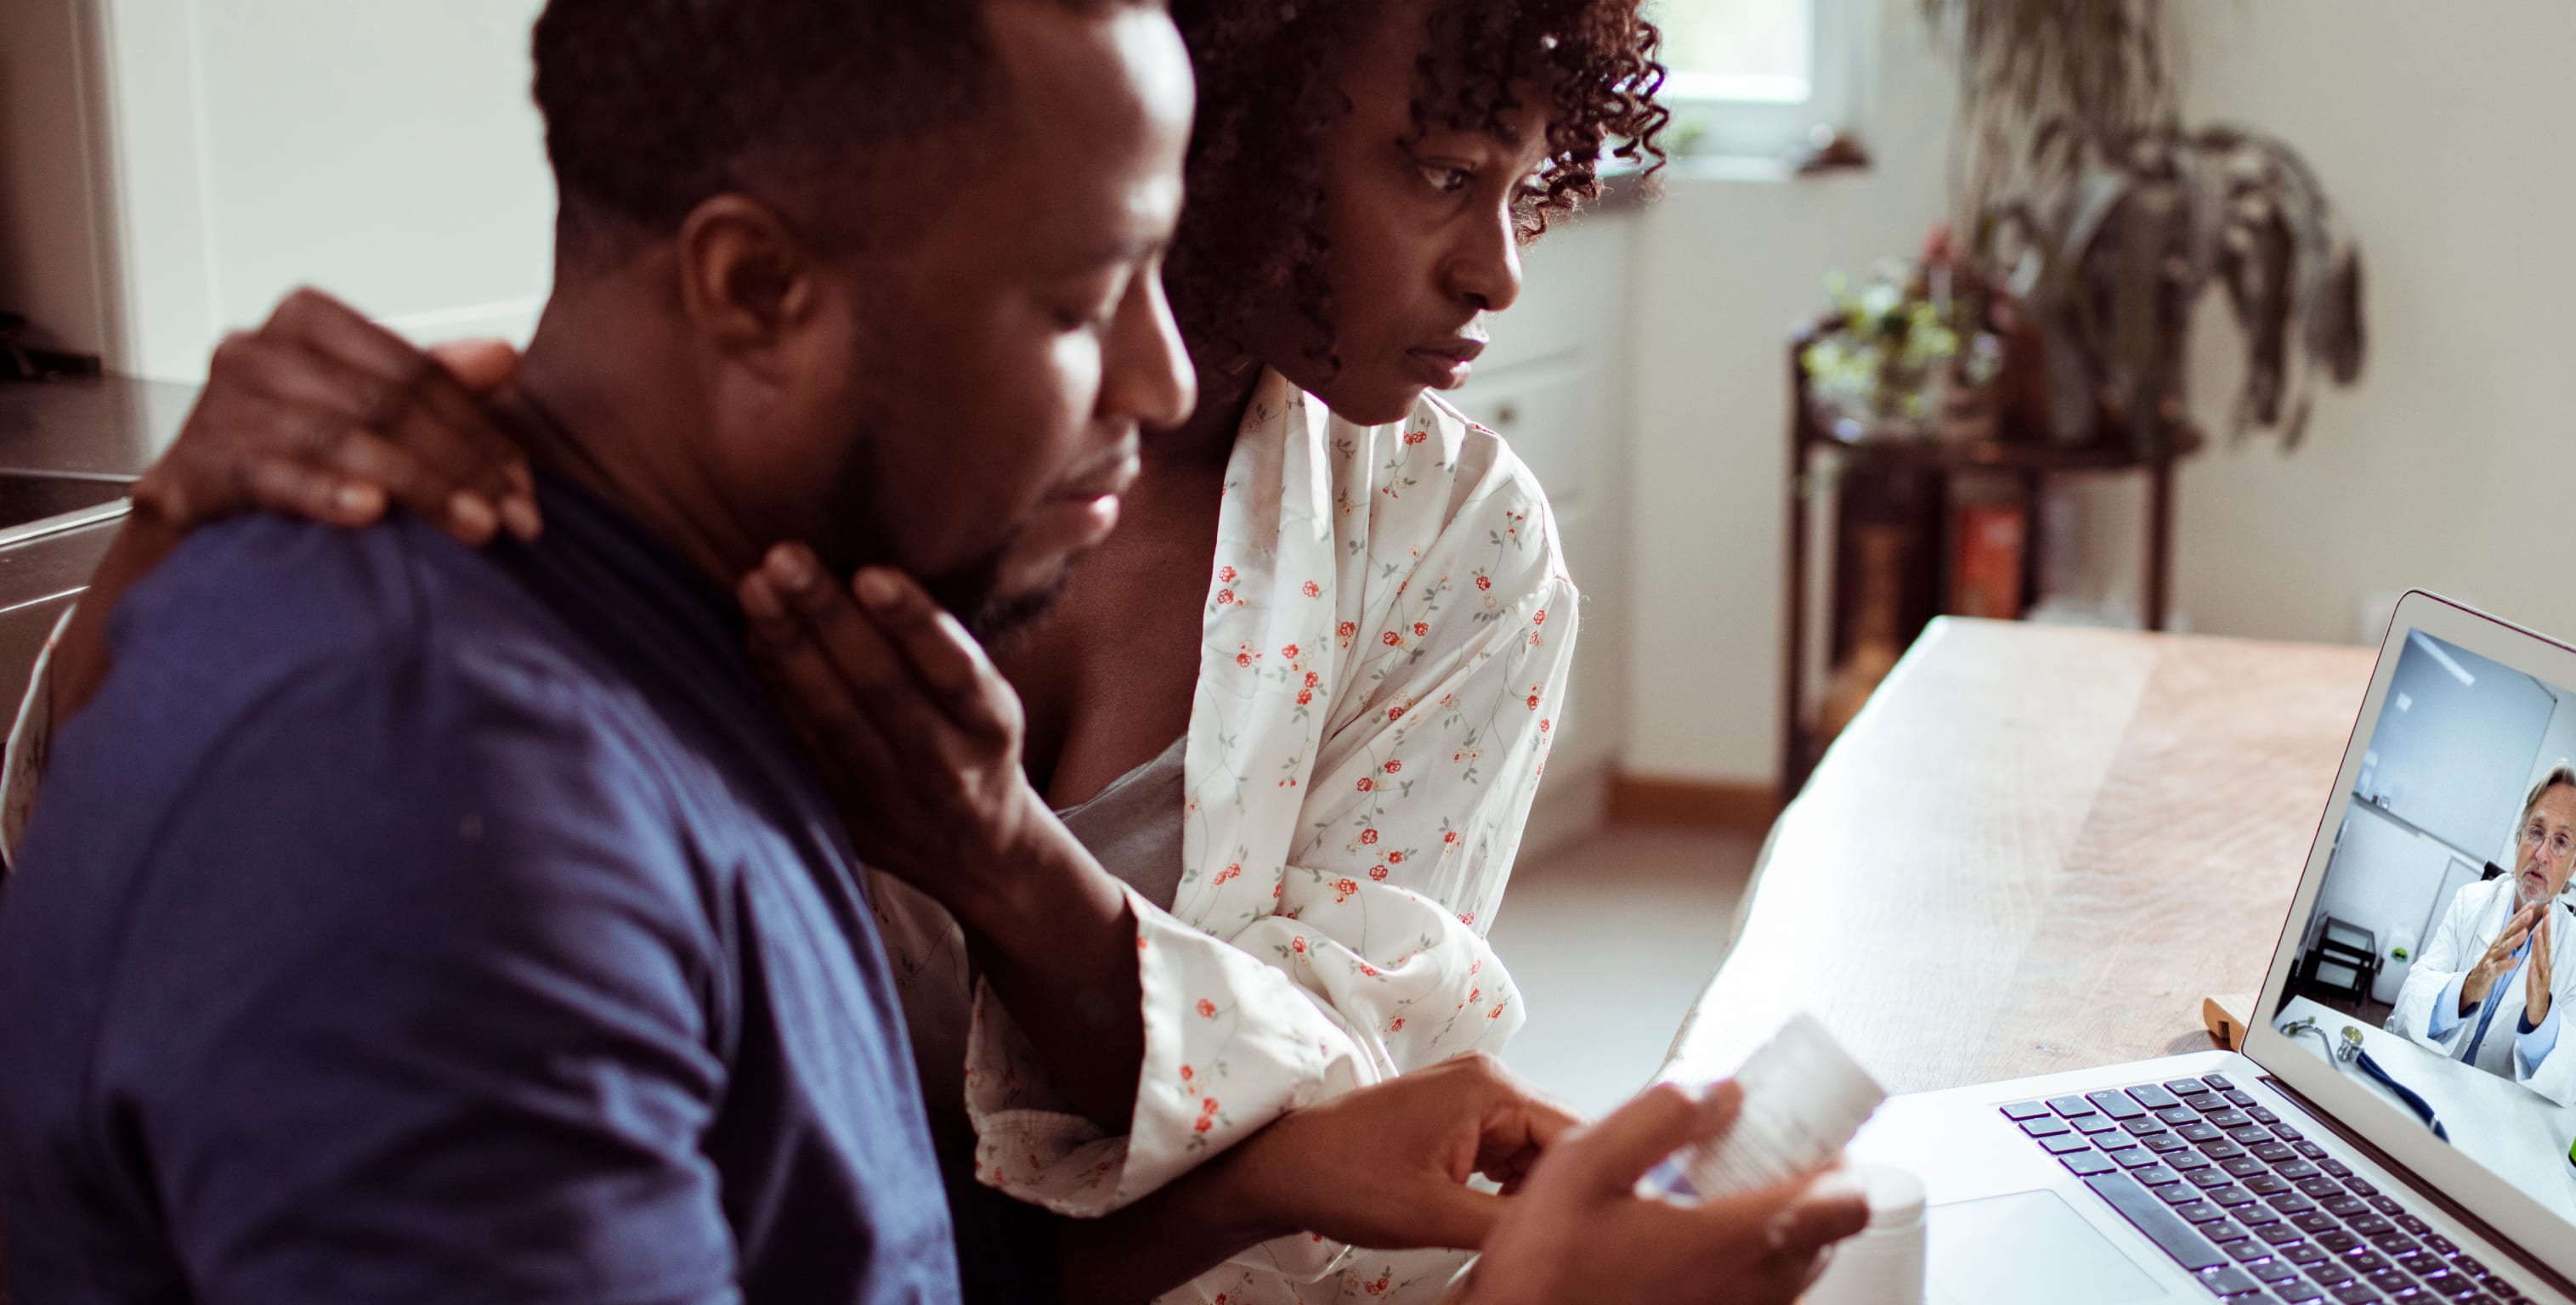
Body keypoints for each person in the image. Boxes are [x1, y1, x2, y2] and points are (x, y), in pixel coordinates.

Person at [0, 0, 1860, 1300]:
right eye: (1081, 295)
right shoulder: (469, 814)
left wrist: (1268, 1173)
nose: (1155, 373)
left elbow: (875, 1256)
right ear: (755, 292)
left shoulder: (735, 644)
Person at [2388, 765, 2576, 1108]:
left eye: (2560, 842)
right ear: (2519, 837)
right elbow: (2410, 997)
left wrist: (2541, 1017)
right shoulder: (2470, 902)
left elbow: (2573, 1081)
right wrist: (2468, 989)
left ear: (2575, 864)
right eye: (2535, 832)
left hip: (2492, 1116)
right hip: (2426, 1084)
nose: (2541, 854)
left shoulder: (2575, 951)